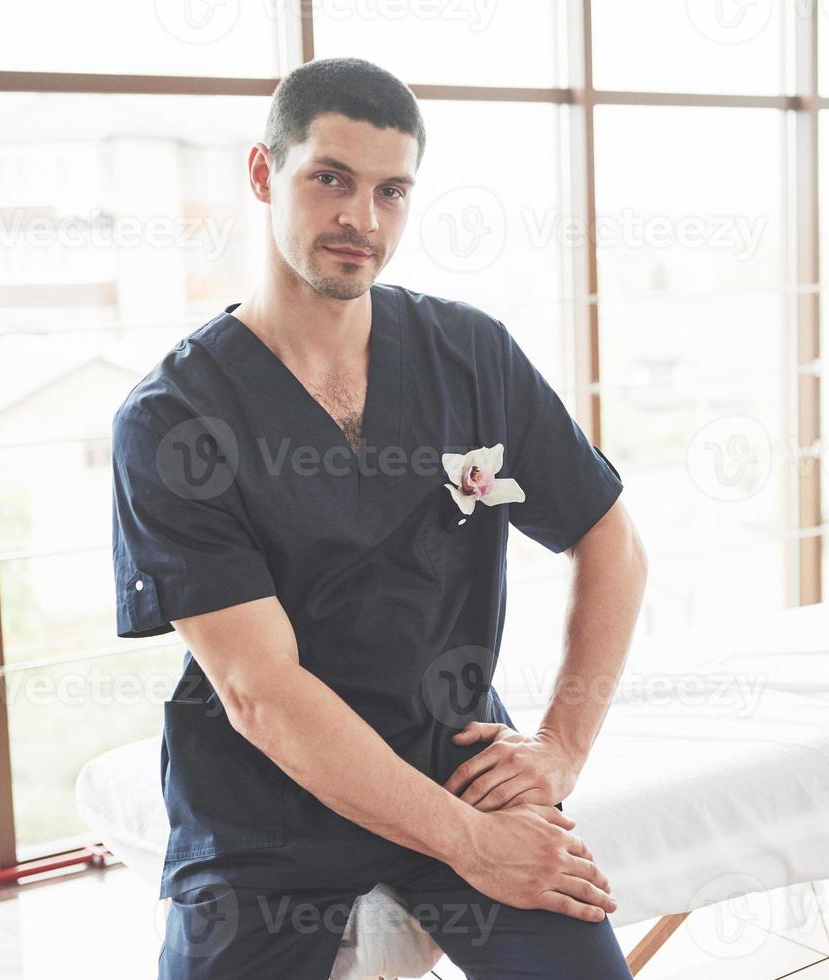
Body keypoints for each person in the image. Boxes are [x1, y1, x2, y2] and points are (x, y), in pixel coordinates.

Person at [110, 56, 648, 978]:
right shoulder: (172, 420)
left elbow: (611, 539)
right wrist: (472, 847)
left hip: (458, 760)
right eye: (330, 179)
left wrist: (559, 748)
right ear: (261, 174)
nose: (361, 219)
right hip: (265, 813)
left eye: (391, 190)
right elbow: (258, 692)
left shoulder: (468, 353)